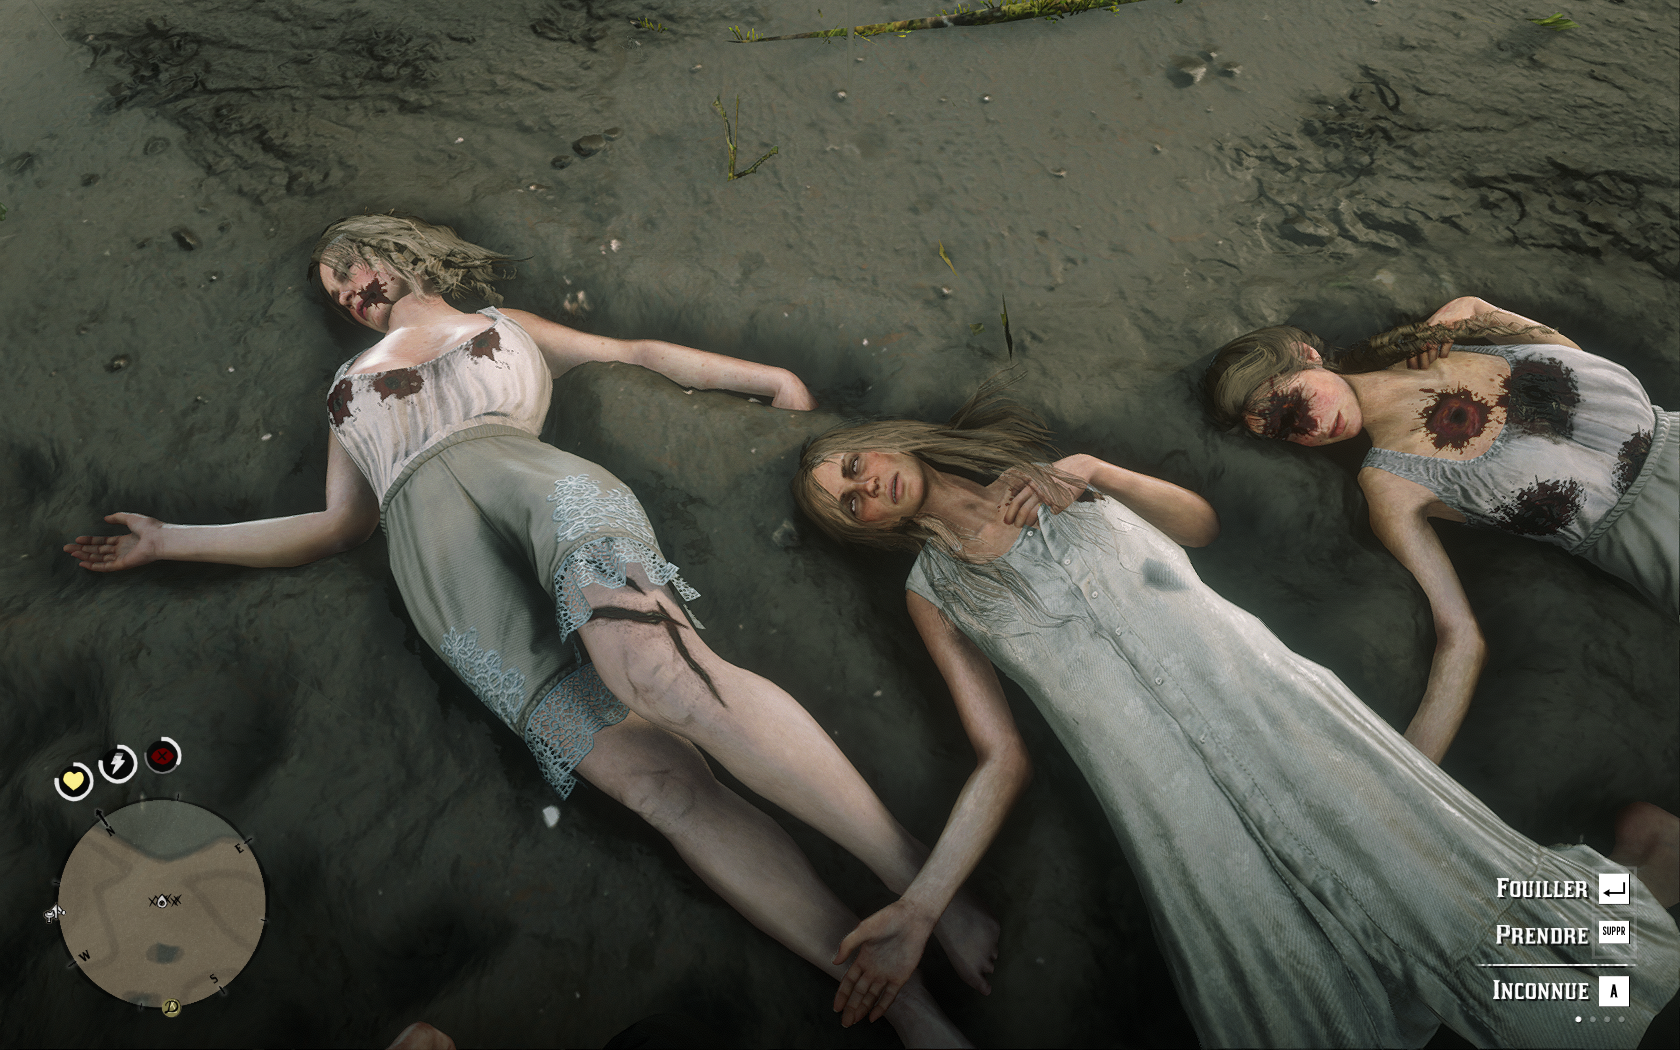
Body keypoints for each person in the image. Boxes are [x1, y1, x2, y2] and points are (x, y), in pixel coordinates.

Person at [62, 213, 992, 1047]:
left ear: (399, 247)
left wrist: (770, 379)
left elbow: (635, 351)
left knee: (664, 677)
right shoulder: (345, 388)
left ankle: (925, 885)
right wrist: (171, 540)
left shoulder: (501, 325)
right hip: (443, 577)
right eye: (334, 291)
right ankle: (902, 1004)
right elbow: (335, 526)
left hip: (537, 489)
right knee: (658, 789)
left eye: (351, 266)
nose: (347, 291)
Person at [790, 380, 1679, 1047]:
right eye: (848, 504)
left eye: (855, 468)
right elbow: (1002, 757)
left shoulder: (1067, 479)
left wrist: (1094, 473)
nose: (866, 491)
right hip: (1171, 801)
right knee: (1286, 986)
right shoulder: (933, 593)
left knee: (1450, 886)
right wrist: (921, 907)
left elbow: (1200, 528)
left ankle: (1628, 925)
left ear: (885, 444)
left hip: (1276, 713)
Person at [1202, 297, 1676, 764]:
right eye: (1285, 431)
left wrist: (1460, 314)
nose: (1310, 428)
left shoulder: (1460, 338)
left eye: (1292, 402)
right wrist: (1403, 780)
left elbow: (1513, 326)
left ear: (1308, 355)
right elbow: (1462, 638)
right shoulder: (1391, 485)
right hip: (1657, 545)